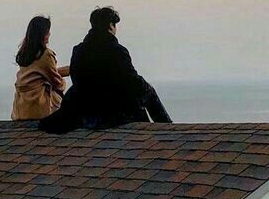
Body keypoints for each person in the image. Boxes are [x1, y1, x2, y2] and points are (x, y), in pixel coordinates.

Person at [39, 7, 172, 133]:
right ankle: (167, 129)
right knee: (148, 91)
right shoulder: (117, 51)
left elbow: (76, 77)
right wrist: (144, 87)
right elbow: (132, 81)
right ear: (110, 26)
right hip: (109, 109)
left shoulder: (79, 50)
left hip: (84, 107)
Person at [11, 15, 70, 120]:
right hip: (38, 108)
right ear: (42, 34)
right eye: (47, 32)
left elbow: (39, 73)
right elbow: (58, 83)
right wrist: (64, 80)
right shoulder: (45, 55)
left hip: (21, 108)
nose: (49, 34)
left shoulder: (25, 53)